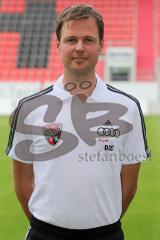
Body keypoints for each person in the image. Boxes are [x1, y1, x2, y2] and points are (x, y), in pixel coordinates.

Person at [6, 4, 149, 240]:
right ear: (58, 45)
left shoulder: (128, 108)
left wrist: (102, 223)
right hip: (45, 233)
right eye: (71, 39)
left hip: (106, 234)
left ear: (101, 46)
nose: (80, 47)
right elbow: (22, 181)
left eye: (88, 40)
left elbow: (130, 184)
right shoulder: (29, 108)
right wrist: (45, 226)